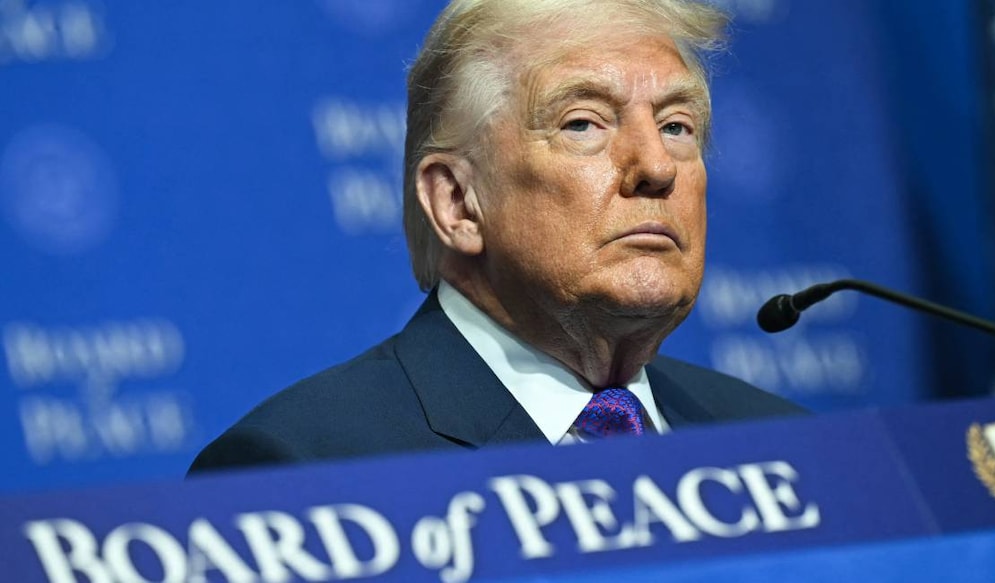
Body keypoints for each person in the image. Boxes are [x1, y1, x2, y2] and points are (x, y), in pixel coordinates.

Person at [189, 0, 803, 473]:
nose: (657, 167)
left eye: (677, 127)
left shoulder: (780, 444)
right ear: (457, 202)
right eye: (583, 123)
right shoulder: (307, 467)